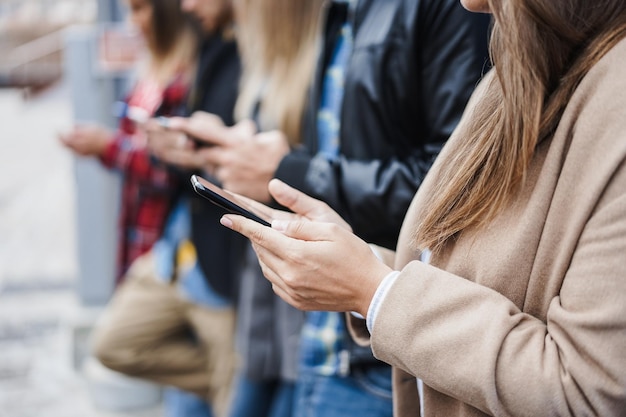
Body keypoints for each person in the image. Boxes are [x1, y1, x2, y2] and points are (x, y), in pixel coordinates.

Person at [220, 0, 626, 415]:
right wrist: (358, 263)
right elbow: (470, 268)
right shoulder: (512, 76)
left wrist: (373, 290)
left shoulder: (612, 99)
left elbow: (587, 390)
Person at [170, 0, 490, 415]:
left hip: (382, 342)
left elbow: (455, 183)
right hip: (330, 327)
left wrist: (288, 169)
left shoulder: (448, 8)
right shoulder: (344, 9)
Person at [90, 0, 244, 416]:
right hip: (177, 251)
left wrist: (114, 148)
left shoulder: (211, 57)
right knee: (114, 343)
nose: (189, 4)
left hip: (220, 260)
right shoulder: (199, 53)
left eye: (141, 8)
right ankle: (231, 381)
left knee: (224, 396)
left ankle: (237, 382)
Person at [59, 0, 197, 283]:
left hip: (170, 248)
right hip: (140, 232)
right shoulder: (152, 67)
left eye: (140, 9)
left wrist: (107, 146)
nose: (133, 23)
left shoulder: (188, 75)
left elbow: (174, 169)